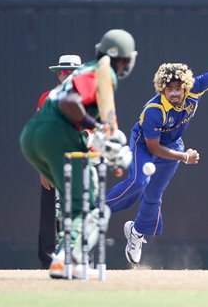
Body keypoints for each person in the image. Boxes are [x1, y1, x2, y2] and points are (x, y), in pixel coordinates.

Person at [20, 29, 137, 279]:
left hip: (32, 138)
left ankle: (64, 258)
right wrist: (96, 128)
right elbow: (69, 104)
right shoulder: (103, 71)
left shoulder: (87, 69)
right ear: (125, 59)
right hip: (59, 136)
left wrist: (106, 140)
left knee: (73, 204)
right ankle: (68, 259)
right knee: (94, 206)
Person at [105, 51, 208, 265]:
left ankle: (136, 232)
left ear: (185, 87)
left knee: (154, 194)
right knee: (140, 181)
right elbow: (153, 147)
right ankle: (98, 212)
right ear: (162, 89)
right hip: (145, 145)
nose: (174, 93)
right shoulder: (154, 110)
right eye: (169, 89)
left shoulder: (194, 90)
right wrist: (184, 156)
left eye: (178, 88)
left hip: (173, 145)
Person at [36, 54, 82, 269]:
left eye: (72, 72)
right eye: (63, 72)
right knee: (51, 213)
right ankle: (49, 260)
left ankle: (77, 257)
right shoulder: (48, 97)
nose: (67, 76)